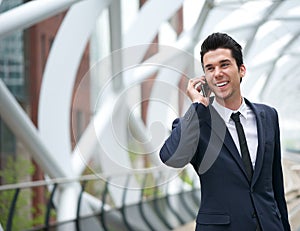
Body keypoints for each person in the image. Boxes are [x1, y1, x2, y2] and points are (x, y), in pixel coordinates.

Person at [159, 32, 291, 231]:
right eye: (210, 68)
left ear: (242, 70)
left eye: (224, 64)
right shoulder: (197, 122)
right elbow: (172, 158)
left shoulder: (268, 116)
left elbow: (275, 184)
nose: (217, 73)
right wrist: (197, 105)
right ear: (204, 78)